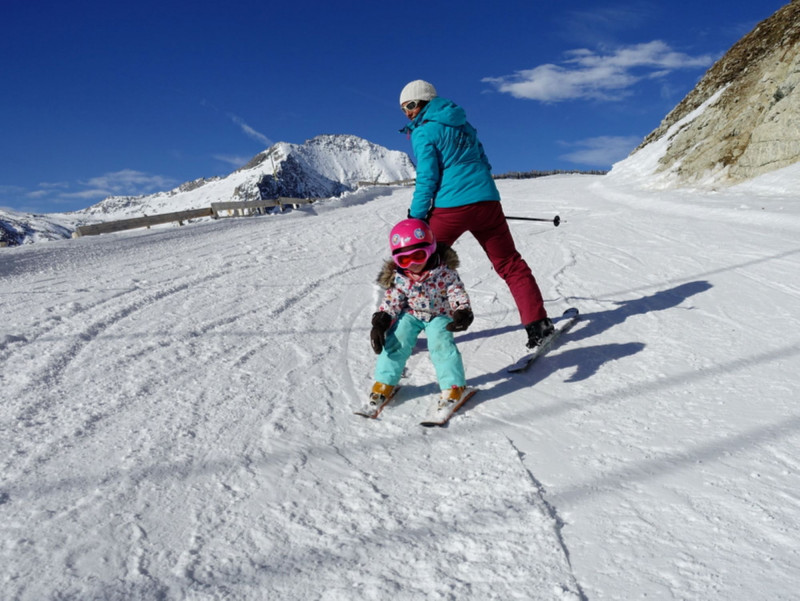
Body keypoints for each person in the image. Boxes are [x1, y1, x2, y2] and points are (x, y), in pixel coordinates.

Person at [397, 79, 553, 349]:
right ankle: (538, 324)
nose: (408, 113)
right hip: (487, 202)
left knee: (418, 266)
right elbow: (484, 160)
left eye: (411, 105)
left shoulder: (424, 131)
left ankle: (400, 337)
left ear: (425, 102)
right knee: (509, 263)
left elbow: (426, 178)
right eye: (403, 109)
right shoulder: (464, 124)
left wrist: (417, 217)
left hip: (451, 207)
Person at [367, 218, 474, 408]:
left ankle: (453, 386)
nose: (413, 263)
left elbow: (455, 290)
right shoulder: (400, 277)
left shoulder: (444, 271)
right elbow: (393, 299)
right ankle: (384, 382)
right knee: (396, 341)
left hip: (439, 314)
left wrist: (462, 311)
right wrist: (381, 320)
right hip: (412, 314)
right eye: (404, 259)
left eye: (418, 255)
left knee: (441, 345)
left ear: (431, 249)